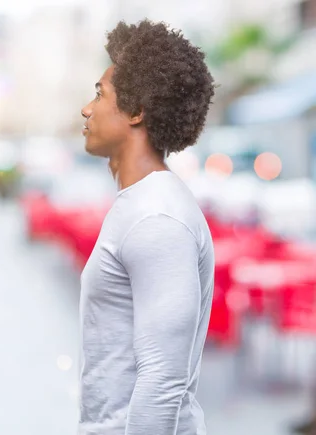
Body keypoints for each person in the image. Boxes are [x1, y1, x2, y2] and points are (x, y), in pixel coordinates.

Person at [78, 20, 215, 435]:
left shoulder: (157, 217)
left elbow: (163, 380)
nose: (87, 108)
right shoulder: (141, 204)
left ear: (136, 112)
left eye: (100, 94)